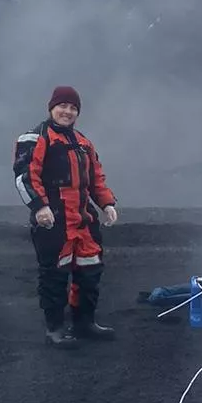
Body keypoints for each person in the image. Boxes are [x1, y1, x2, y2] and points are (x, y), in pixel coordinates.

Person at [13, 86, 119, 347]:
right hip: (54, 220)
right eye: (63, 106)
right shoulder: (34, 138)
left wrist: (107, 203)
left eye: (73, 108)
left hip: (84, 220)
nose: (67, 112)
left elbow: (96, 178)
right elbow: (25, 177)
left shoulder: (83, 142)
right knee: (54, 276)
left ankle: (84, 324)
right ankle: (55, 330)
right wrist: (39, 207)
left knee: (90, 271)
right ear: (51, 108)